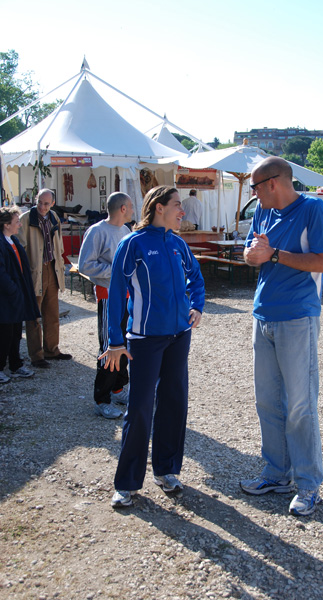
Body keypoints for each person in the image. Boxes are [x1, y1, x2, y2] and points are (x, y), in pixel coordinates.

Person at [240, 157, 323, 516]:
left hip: (298, 316)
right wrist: (253, 256)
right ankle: (277, 474)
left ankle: (309, 484)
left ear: (273, 183)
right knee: (266, 400)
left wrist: (275, 255)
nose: (253, 194)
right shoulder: (262, 213)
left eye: (255, 187)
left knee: (299, 404)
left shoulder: (313, 209)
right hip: (263, 314)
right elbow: (252, 253)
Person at [99, 186, 205, 508]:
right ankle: (127, 483)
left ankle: (167, 470)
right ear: (159, 208)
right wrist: (115, 342)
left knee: (174, 403)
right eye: (176, 206)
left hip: (178, 337)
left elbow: (196, 279)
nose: (182, 211)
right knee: (141, 409)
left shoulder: (177, 244)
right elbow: (116, 293)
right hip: (144, 341)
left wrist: (196, 307)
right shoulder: (132, 244)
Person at [78, 192, 134, 419]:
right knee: (110, 347)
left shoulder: (126, 231)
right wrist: (117, 271)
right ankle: (102, 399)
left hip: (127, 296)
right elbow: (84, 265)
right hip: (108, 295)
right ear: (122, 208)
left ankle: (119, 388)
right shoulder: (97, 231)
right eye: (130, 206)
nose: (133, 210)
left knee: (125, 344)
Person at [18, 189, 72, 368]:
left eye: (46, 203)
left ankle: (52, 349)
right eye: (40, 202)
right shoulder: (25, 219)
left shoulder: (54, 217)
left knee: (52, 312)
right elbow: (20, 248)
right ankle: (36, 355)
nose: (42, 206)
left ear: (52, 204)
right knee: (34, 316)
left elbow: (59, 243)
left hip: (52, 268)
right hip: (35, 270)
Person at [0, 206, 40, 383]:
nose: (20, 225)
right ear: (6, 224)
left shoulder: (13, 241)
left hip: (16, 299)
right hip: (6, 300)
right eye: (17, 222)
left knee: (16, 333)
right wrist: (14, 290)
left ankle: (16, 365)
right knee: (4, 335)